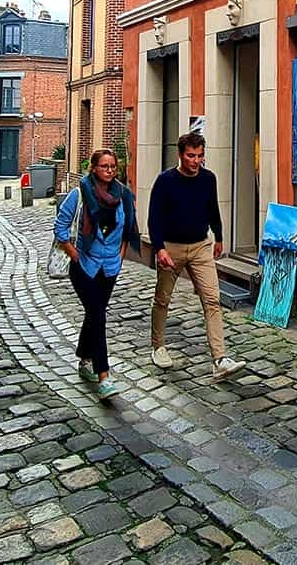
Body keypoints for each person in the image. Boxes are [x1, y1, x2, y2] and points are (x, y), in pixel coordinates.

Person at [148, 132, 245, 380]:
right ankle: (158, 346)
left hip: (201, 245)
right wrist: (159, 248)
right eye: (191, 156)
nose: (196, 161)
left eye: (200, 156)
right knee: (163, 299)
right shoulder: (165, 181)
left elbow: (213, 207)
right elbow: (154, 217)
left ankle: (219, 359)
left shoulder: (208, 178)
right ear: (180, 154)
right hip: (172, 247)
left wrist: (219, 236)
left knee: (212, 299)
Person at [54, 148, 140, 399]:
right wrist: (76, 255)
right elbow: (60, 228)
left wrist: (121, 255)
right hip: (85, 267)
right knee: (98, 316)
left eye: (113, 166)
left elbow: (128, 229)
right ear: (94, 168)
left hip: (110, 267)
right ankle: (104, 377)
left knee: (94, 315)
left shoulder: (123, 194)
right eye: (104, 166)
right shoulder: (80, 193)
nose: (110, 171)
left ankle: (84, 358)